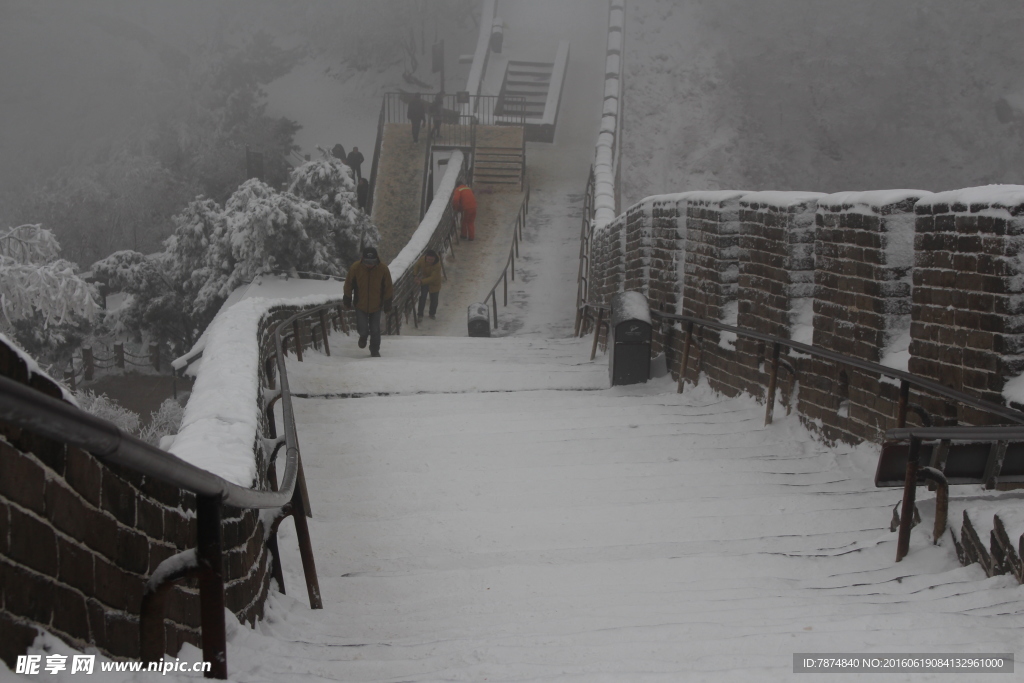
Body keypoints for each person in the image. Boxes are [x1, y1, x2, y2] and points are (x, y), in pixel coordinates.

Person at [343, 246, 393, 357]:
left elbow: (388, 287)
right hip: (360, 304)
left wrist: (387, 303)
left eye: (372, 262)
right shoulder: (355, 268)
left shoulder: (383, 269)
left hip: (376, 305)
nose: (370, 265)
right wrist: (347, 298)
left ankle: (374, 349)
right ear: (362, 259)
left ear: (376, 259)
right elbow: (348, 284)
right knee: (363, 328)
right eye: (367, 262)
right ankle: (363, 336)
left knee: (375, 329)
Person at [414, 249, 443, 319]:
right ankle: (420, 314)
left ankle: (432, 314)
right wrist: (415, 275)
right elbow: (417, 265)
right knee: (422, 298)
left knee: (434, 300)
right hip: (425, 281)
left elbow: (433, 278)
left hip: (434, 283)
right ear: (426, 257)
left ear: (434, 258)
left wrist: (421, 281)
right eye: (428, 259)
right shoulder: (422, 259)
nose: (430, 261)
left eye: (432, 260)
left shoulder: (437, 265)